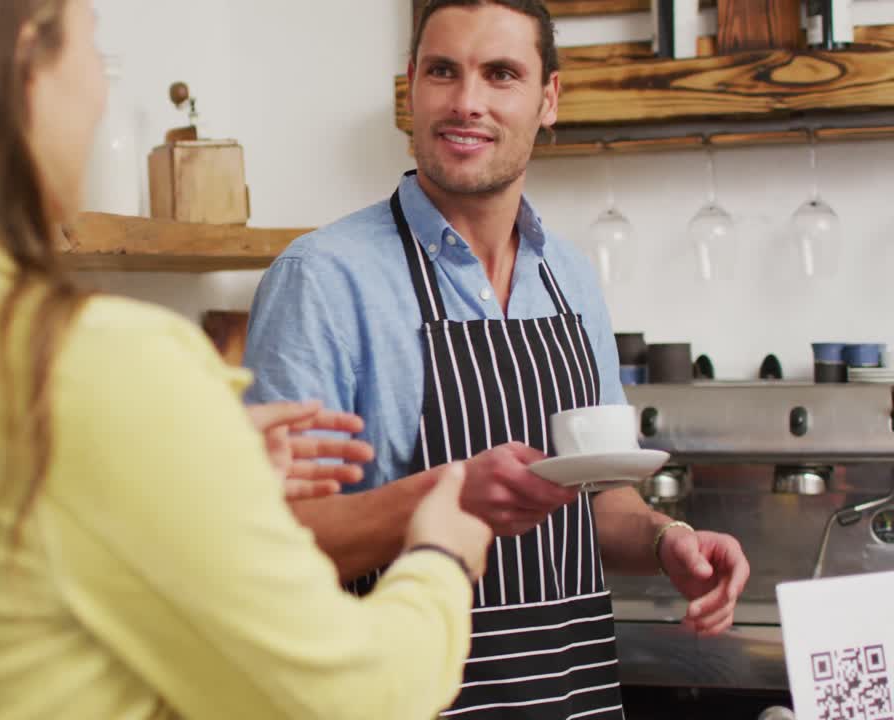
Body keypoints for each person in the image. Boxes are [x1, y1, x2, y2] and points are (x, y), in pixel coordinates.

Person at [0, 1, 501, 719]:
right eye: (94, 45)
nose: (99, 91)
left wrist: (195, 481)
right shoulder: (92, 365)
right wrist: (439, 554)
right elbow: (353, 699)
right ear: (25, 59)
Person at [242, 0, 752, 717]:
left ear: (548, 99)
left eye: (501, 74)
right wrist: (452, 494)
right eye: (442, 71)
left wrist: (669, 542)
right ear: (411, 88)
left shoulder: (570, 279)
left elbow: (601, 500)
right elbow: (272, 547)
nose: (466, 102)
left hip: (573, 696)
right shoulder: (323, 280)